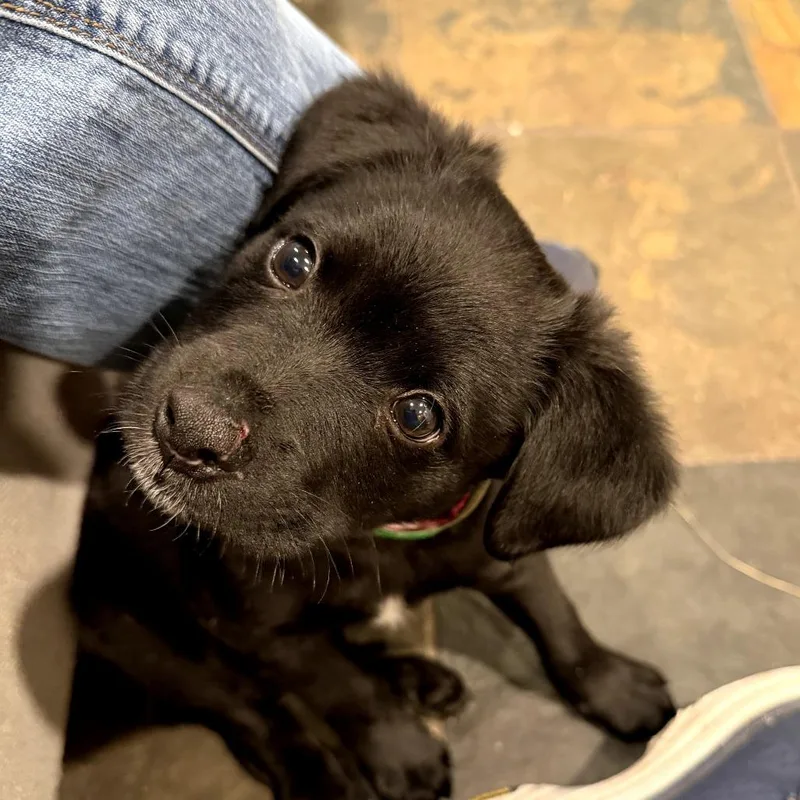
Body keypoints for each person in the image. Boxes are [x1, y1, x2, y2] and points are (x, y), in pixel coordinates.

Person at [5, 3, 795, 800]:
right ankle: (285, 721)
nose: (201, 417)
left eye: (419, 414)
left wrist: (582, 661)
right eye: (296, 263)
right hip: (238, 596)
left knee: (491, 567)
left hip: (421, 528)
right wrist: (361, 713)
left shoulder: (509, 488)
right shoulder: (393, 173)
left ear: (514, 468)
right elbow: (269, 637)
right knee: (197, 625)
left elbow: (516, 568)